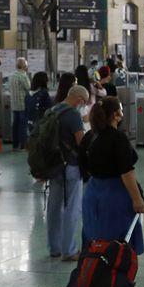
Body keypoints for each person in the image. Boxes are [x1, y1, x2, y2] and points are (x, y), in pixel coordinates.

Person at [79, 96, 144, 285]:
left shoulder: (90, 136)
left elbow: (82, 165)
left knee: (94, 240)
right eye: (121, 110)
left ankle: (93, 278)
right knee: (119, 243)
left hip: (92, 194)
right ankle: (118, 284)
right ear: (116, 115)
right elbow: (126, 173)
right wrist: (137, 199)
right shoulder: (118, 138)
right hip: (115, 195)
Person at [41, 86, 89, 261]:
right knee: (72, 208)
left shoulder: (51, 111)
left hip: (53, 167)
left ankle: (54, 248)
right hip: (70, 166)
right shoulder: (73, 115)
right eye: (83, 102)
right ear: (79, 100)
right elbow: (81, 142)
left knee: (53, 208)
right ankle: (69, 250)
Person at [9, 57, 31, 151]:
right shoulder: (23, 76)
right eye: (26, 65)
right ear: (24, 66)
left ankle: (15, 145)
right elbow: (28, 88)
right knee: (23, 126)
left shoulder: (12, 75)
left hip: (14, 104)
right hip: (23, 104)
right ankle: (23, 146)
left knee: (15, 125)